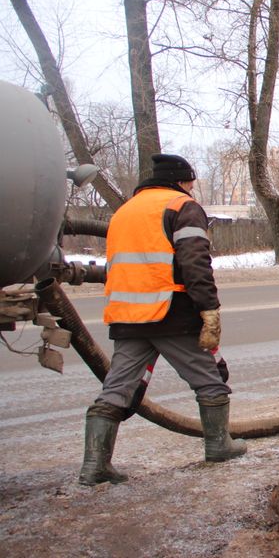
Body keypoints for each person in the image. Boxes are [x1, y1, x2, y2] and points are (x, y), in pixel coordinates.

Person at [79, 154, 246, 486]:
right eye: (191, 184)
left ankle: (94, 465)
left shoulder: (125, 211)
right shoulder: (181, 206)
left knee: (116, 388)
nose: (192, 190)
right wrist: (208, 307)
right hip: (170, 311)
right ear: (182, 181)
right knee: (210, 379)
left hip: (127, 315)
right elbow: (194, 261)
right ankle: (218, 445)